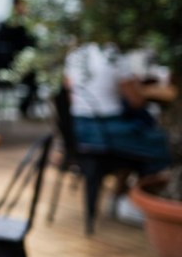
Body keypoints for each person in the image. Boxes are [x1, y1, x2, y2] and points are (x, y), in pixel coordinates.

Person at [64, 42, 171, 177]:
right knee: (162, 144)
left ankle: (121, 192)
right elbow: (136, 102)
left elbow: (70, 96)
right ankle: (133, 191)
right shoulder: (114, 55)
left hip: (79, 129)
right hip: (107, 130)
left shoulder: (75, 55)